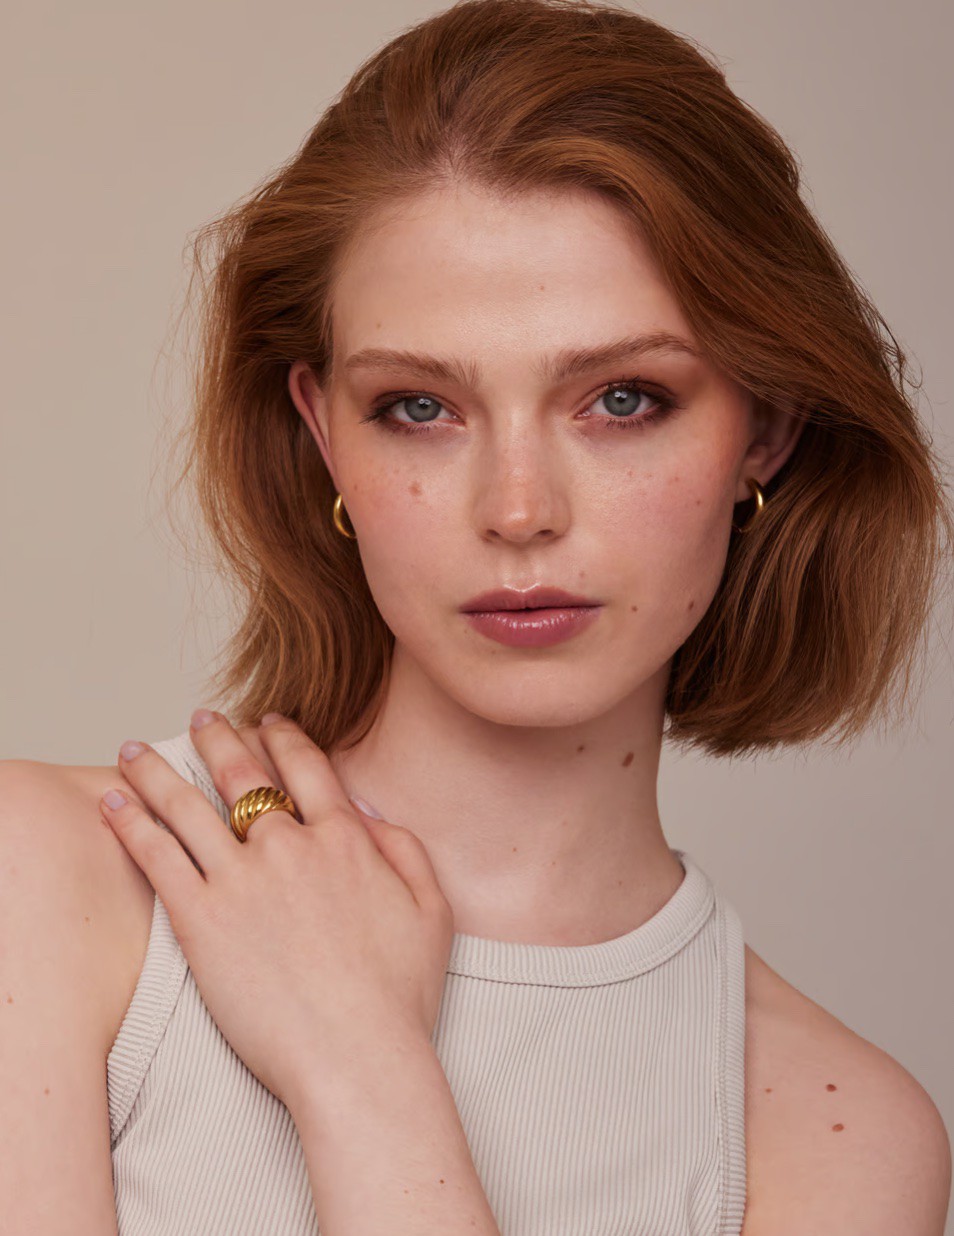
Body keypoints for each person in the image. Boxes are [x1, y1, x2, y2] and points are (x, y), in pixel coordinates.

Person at [2, 0, 952, 1232]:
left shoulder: (835, 1138)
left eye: (623, 399)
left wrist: (363, 1069)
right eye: (419, 407)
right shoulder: (47, 881)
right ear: (323, 434)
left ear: (765, 429)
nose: (518, 511)